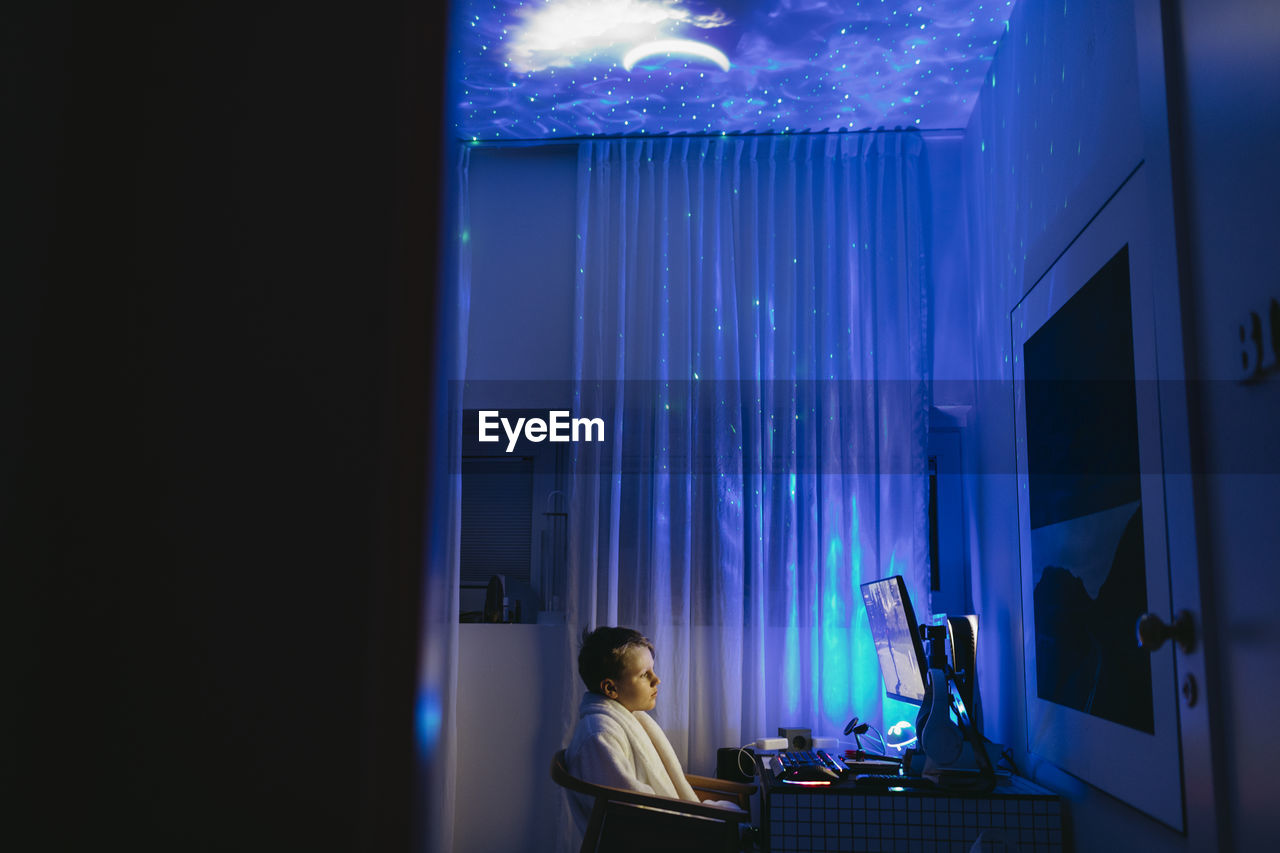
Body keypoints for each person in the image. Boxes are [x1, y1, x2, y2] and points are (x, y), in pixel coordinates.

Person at [564, 626, 740, 831]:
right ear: (611, 688)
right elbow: (627, 809)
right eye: (644, 674)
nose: (656, 680)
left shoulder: (628, 719)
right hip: (643, 838)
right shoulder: (599, 736)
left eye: (653, 670)